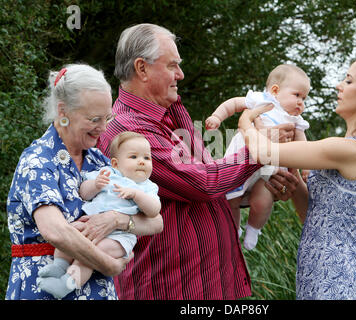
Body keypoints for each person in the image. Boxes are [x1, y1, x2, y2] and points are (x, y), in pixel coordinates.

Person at [97, 23, 298, 299]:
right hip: (170, 289)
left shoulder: (171, 113)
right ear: (141, 69)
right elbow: (201, 184)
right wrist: (261, 151)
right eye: (172, 66)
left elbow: (206, 187)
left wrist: (257, 190)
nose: (180, 74)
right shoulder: (127, 129)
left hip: (207, 285)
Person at [238, 54, 356, 300]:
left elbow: (263, 152)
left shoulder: (349, 150)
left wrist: (246, 121)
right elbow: (317, 218)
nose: (339, 86)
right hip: (325, 278)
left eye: (348, 80)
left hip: (336, 284)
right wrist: (298, 189)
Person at [6, 64, 162, 300]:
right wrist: (107, 264)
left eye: (107, 118)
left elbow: (156, 222)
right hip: (43, 289)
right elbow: (55, 231)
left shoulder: (100, 161)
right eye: (94, 119)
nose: (103, 128)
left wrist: (117, 220)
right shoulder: (38, 159)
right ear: (63, 111)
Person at [36, 131, 162, 299]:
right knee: (71, 231)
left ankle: (67, 284)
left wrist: (137, 195)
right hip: (90, 223)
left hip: (120, 238)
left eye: (147, 158)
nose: (142, 162)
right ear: (116, 164)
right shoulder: (106, 173)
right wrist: (95, 185)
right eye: (134, 157)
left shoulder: (147, 187)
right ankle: (59, 265)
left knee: (93, 254)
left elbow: (154, 211)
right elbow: (83, 192)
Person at [205, 64, 310, 250]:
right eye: (297, 95)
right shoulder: (261, 100)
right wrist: (217, 116)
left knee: (263, 200)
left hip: (269, 169)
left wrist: (306, 167)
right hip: (243, 159)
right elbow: (233, 104)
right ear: (275, 90)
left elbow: (303, 144)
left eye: (304, 98)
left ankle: (254, 228)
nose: (301, 102)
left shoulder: (295, 120)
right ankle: (233, 229)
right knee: (232, 199)